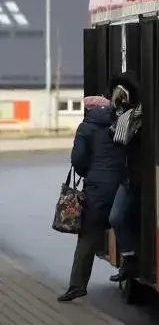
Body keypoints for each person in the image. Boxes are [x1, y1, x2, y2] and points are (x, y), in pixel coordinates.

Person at [58, 85, 128, 302]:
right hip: (121, 185)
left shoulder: (86, 127)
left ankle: (77, 285)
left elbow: (77, 159)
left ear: (89, 111)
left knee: (88, 235)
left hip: (97, 187)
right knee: (123, 223)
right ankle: (129, 267)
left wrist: (90, 172)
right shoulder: (121, 122)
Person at [107, 72, 142, 283]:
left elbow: (122, 139)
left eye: (121, 94)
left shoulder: (135, 115)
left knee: (117, 217)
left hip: (136, 178)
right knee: (118, 217)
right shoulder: (122, 116)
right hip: (127, 177)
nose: (117, 98)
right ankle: (129, 257)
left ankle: (130, 258)